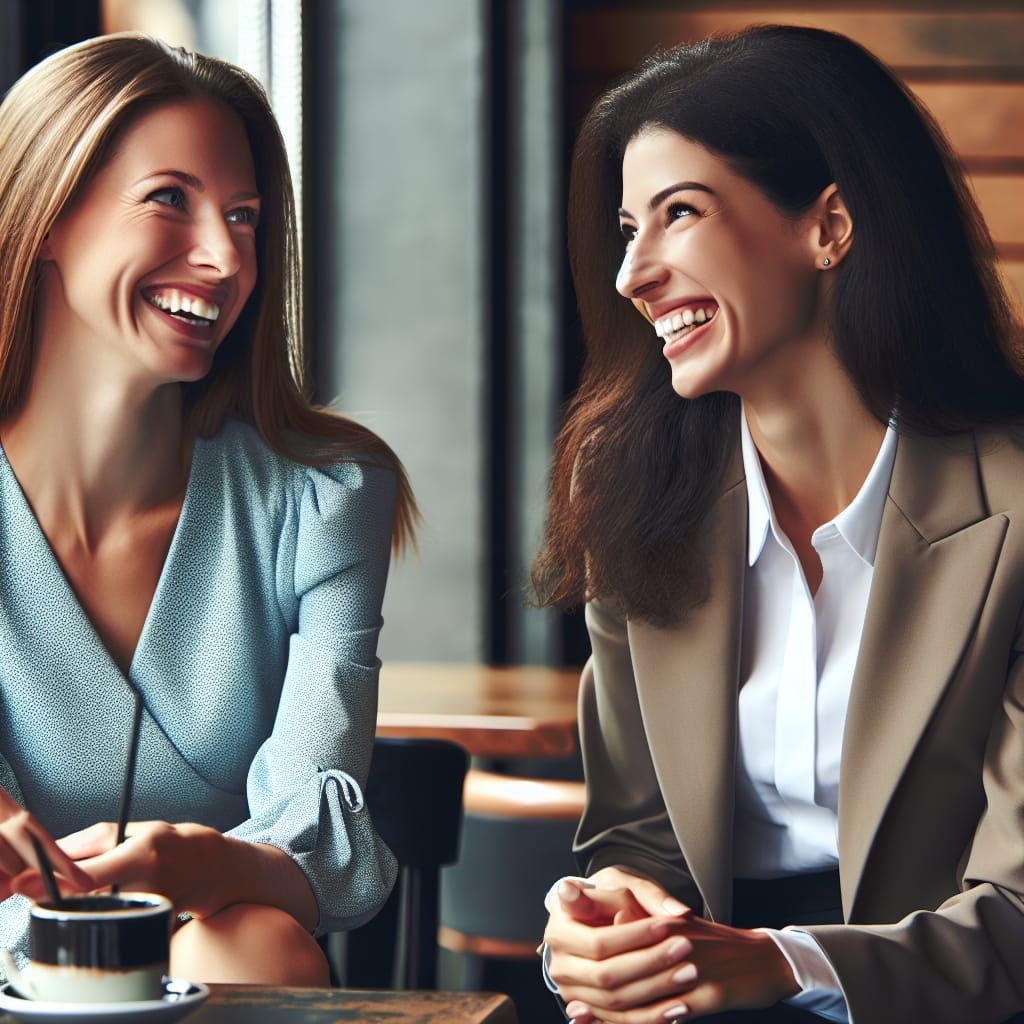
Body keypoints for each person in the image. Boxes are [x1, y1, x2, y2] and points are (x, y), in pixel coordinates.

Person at [533, 24, 1024, 1024]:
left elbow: (1017, 914)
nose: (634, 273)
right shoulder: (628, 481)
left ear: (829, 227)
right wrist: (603, 926)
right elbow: (636, 835)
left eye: (678, 214)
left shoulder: (1012, 506)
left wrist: (786, 964)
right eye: (629, 229)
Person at [0, 33, 416, 984]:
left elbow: (328, 846)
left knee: (251, 937)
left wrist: (200, 866)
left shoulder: (326, 493)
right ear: (46, 215)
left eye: (244, 217)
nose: (226, 257)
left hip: (217, 959)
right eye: (169, 200)